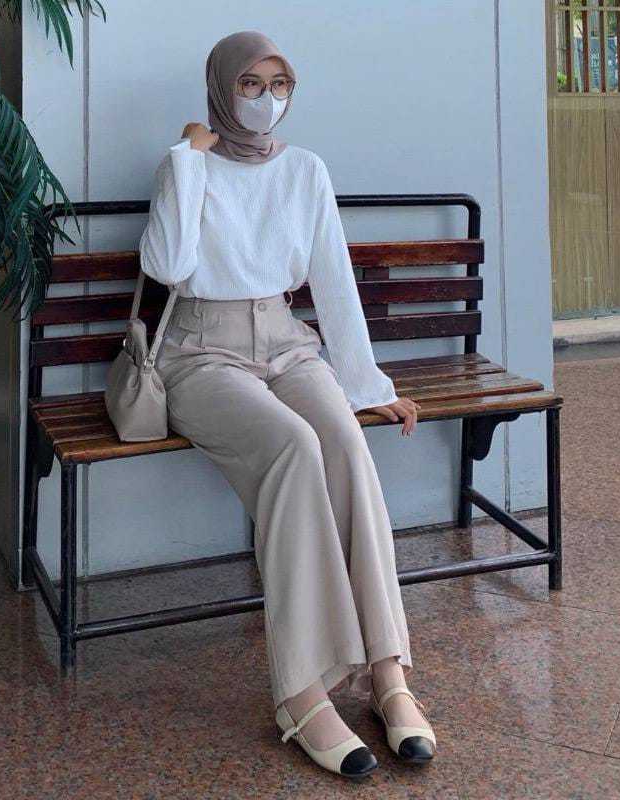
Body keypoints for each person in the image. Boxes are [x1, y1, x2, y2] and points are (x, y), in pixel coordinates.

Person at [138, 30, 437, 779]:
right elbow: (168, 266)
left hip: (285, 339)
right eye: (250, 84)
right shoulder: (187, 164)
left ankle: (388, 672)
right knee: (293, 447)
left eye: (279, 85)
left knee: (343, 441)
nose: (265, 100)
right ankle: (302, 694)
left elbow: (332, 279)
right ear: (220, 88)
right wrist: (187, 159)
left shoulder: (305, 169)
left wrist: (368, 387)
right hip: (201, 352)